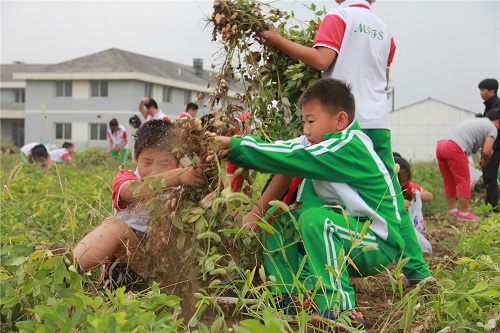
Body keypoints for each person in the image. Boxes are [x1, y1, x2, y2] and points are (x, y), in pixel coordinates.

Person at [216, 78, 431, 329]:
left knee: (315, 219)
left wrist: (235, 147)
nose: (306, 130)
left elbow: (295, 157)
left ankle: (341, 309)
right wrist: (233, 148)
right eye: (304, 122)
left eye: (311, 121)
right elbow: (282, 149)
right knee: (278, 217)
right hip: (350, 232)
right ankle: (286, 297)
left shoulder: (349, 146)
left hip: (376, 243)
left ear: (340, 120)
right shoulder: (316, 142)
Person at [73, 120, 205, 292]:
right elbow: (129, 192)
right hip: (132, 263)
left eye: (165, 164)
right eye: (148, 162)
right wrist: (175, 176)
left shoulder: (185, 185)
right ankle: (67, 268)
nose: (154, 171)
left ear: (179, 161)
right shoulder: (127, 178)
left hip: (170, 268)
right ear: (135, 157)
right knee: (114, 227)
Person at [436, 109, 500, 221]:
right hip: (455, 147)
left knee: (449, 180)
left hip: (441, 145)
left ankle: (452, 210)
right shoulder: (492, 128)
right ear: (498, 121)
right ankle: (464, 213)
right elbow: (487, 151)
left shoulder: (477, 121)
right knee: (463, 179)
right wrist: (485, 161)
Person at [478, 78, 500, 211]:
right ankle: (492, 204)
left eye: (483, 90)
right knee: (489, 175)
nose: (481, 93)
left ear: (492, 90)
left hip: (495, 146)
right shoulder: (489, 104)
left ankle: (492, 206)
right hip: (493, 145)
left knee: (490, 175)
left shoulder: (496, 105)